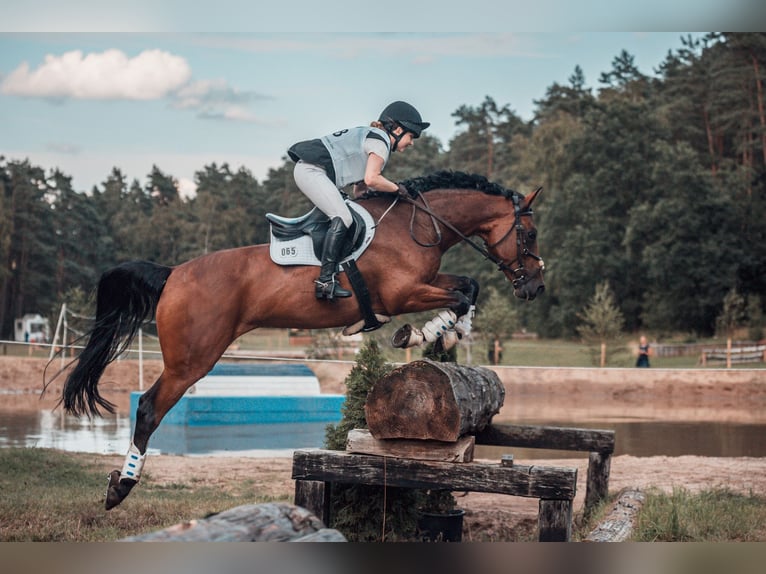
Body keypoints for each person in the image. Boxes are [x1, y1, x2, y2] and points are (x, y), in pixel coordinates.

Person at [287, 101, 430, 300]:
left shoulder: (372, 137)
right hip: (311, 171)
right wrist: (399, 189)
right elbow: (373, 179)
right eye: (411, 136)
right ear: (397, 129)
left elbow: (361, 187)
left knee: (346, 214)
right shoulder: (381, 143)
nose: (411, 142)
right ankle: (325, 282)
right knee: (343, 217)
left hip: (312, 170)